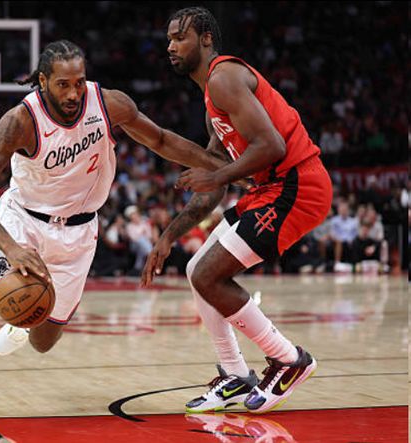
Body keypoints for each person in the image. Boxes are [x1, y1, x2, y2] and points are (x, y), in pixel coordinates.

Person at [0, 39, 226, 418]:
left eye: (79, 82)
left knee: (44, 341)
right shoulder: (20, 122)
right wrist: (12, 248)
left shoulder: (109, 105)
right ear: (43, 81)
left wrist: (223, 169)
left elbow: (161, 140)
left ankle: (19, 322)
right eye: (63, 84)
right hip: (23, 222)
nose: (74, 93)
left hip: (78, 233)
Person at [141, 7, 332, 414]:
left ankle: (289, 359)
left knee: (209, 275)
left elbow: (272, 146)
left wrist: (216, 175)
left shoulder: (223, 78)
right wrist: (169, 236)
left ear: (206, 38)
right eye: (169, 39)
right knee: (197, 271)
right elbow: (213, 187)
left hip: (298, 184)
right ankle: (235, 375)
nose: (171, 46)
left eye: (180, 37)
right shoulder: (212, 100)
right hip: (271, 189)